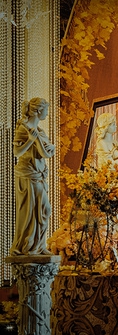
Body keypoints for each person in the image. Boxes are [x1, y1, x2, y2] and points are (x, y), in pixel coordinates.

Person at [11, 98, 55, 256]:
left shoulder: (40, 131)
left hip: (40, 175)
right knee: (31, 212)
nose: (47, 113)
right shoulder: (24, 129)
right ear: (38, 111)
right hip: (28, 174)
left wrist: (51, 147)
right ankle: (28, 245)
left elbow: (46, 152)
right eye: (46, 110)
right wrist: (30, 140)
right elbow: (17, 152)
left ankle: (39, 246)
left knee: (44, 210)